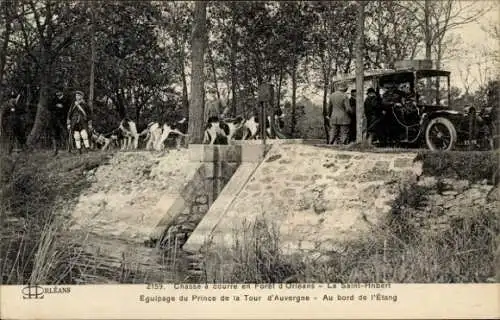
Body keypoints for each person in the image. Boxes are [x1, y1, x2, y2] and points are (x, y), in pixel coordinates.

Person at [48, 90, 71, 155]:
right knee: (55, 135)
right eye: (56, 92)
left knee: (66, 134)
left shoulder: (66, 99)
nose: (57, 93)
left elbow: (69, 109)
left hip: (63, 120)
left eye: (59, 91)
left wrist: (62, 107)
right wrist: (56, 106)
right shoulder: (54, 99)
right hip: (54, 120)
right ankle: (55, 151)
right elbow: (49, 107)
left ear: (62, 92)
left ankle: (68, 150)